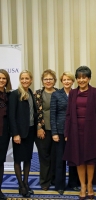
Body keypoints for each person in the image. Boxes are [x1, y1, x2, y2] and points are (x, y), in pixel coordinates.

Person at [63, 66, 96, 200]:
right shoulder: (73, 93)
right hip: (75, 131)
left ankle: (90, 185)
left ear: (89, 78)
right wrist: (66, 133)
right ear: (76, 79)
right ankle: (82, 186)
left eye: (84, 77)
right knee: (79, 160)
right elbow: (68, 114)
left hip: (92, 131)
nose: (81, 80)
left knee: (90, 160)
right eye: (79, 77)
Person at [50, 72, 80, 195]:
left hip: (74, 130)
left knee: (74, 158)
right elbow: (52, 114)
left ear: (73, 81)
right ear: (61, 81)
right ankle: (60, 184)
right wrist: (54, 132)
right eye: (65, 80)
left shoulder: (77, 93)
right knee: (60, 159)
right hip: (60, 130)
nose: (67, 82)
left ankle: (73, 183)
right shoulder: (56, 94)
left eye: (69, 80)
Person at [9, 70, 37, 198]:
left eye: (27, 78)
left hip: (30, 131)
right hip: (19, 133)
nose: (25, 81)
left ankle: (26, 182)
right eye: (22, 78)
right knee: (18, 159)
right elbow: (12, 116)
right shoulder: (15, 94)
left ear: (31, 80)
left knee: (27, 158)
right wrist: (15, 134)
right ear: (20, 80)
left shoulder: (31, 93)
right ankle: (21, 185)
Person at [34, 69, 57, 190]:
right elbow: (36, 112)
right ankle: (44, 182)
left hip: (56, 131)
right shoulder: (37, 94)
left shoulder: (59, 93)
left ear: (55, 80)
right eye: (46, 79)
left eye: (50, 79)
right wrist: (39, 127)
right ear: (42, 81)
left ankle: (54, 179)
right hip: (42, 130)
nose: (48, 81)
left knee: (55, 156)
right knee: (44, 157)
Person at [0, 69, 12, 200]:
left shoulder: (8, 96)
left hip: (3, 134)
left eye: (4, 78)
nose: (2, 80)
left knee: (0, 162)